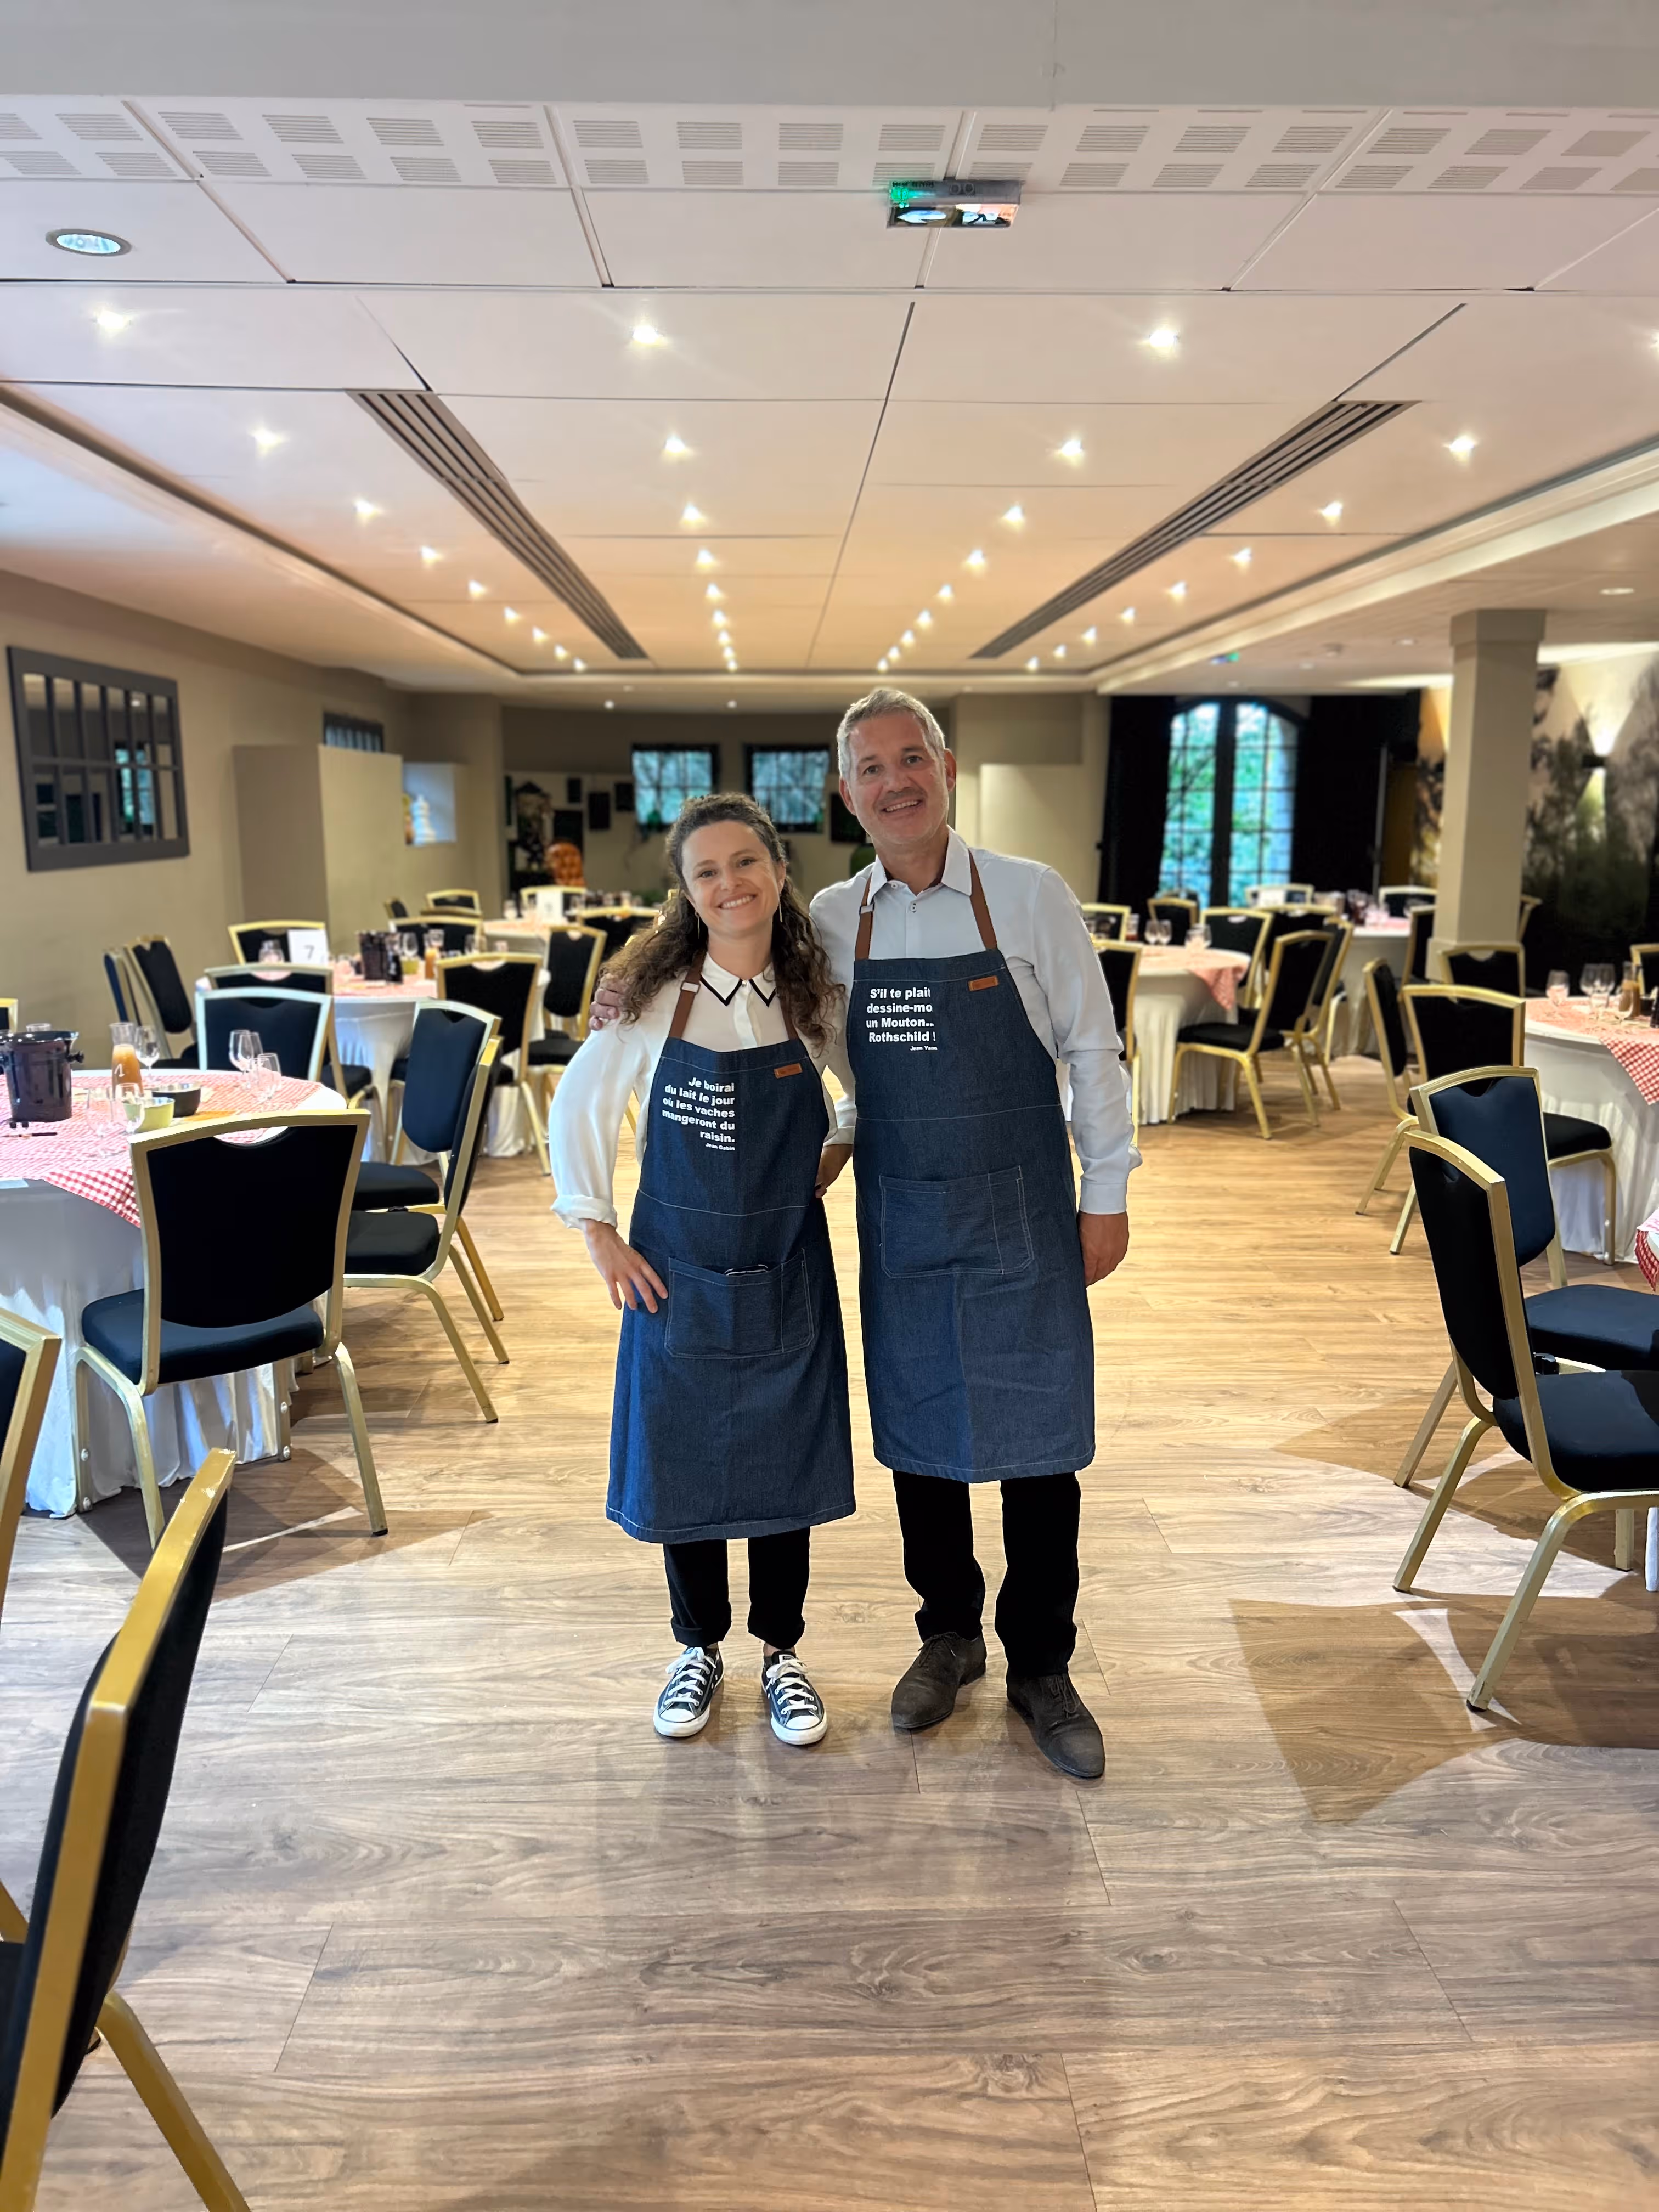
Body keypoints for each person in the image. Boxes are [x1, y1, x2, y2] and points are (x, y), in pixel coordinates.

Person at [811, 687, 1138, 1779]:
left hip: (1023, 1216)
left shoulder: (1029, 897)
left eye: (912, 758)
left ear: (947, 768)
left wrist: (1108, 1190)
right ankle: (946, 1637)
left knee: (1042, 1444)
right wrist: (628, 992)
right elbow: (795, 1048)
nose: (895, 780)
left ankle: (1042, 1660)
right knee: (920, 1435)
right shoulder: (830, 920)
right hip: (904, 1212)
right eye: (871, 767)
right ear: (847, 791)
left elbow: (1092, 1051)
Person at [548, 793, 854, 1747]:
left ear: (776, 870)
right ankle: (697, 1647)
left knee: (785, 1464)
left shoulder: (814, 997)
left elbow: (870, 1089)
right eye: (707, 872)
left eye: (746, 863)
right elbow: (578, 1110)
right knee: (683, 1465)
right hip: (675, 1274)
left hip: (787, 1265)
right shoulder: (649, 1002)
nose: (731, 884)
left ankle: (782, 1654)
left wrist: (840, 1139)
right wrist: (598, 1232)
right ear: (685, 894)